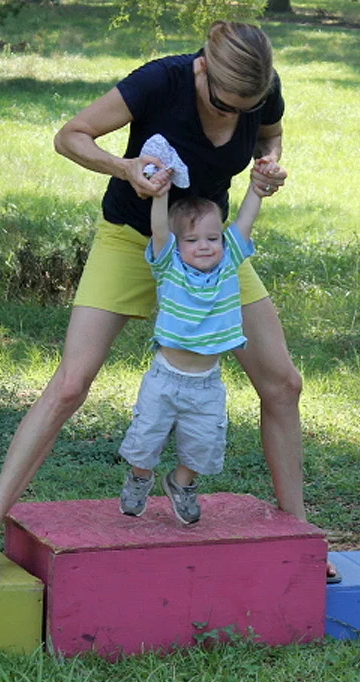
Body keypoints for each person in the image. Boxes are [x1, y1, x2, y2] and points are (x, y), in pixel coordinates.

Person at [0, 19, 339, 586]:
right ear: (202, 69)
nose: (235, 114)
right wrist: (124, 167)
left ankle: (300, 537)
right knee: (69, 385)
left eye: (247, 105)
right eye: (225, 103)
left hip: (207, 256)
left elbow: (270, 133)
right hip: (133, 238)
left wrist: (270, 163)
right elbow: (71, 135)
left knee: (283, 384)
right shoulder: (160, 81)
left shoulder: (260, 88)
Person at [118, 159, 271, 525]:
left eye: (212, 238)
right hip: (165, 379)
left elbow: (246, 220)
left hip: (207, 383)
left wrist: (256, 187)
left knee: (204, 446)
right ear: (177, 243)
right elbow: (159, 229)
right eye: (192, 240)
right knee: (145, 440)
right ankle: (141, 477)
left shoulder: (230, 261)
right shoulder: (168, 263)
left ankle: (180, 482)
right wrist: (159, 194)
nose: (204, 246)